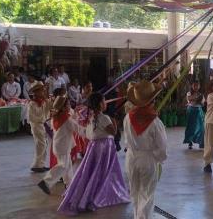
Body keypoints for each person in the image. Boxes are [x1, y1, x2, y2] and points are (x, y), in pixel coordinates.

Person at [58, 93, 129, 215]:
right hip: (105, 147)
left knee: (93, 172)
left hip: (94, 147)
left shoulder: (91, 117)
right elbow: (113, 132)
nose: (105, 103)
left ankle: (89, 192)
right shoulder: (104, 118)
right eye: (104, 101)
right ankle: (99, 194)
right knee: (104, 172)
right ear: (99, 104)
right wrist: (115, 122)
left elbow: (89, 134)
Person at [125, 80, 167, 219]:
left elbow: (126, 140)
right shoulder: (155, 122)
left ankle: (138, 216)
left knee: (135, 193)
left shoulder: (127, 117)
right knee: (147, 194)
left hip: (131, 158)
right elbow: (161, 147)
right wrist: (159, 159)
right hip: (147, 159)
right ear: (152, 100)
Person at [38, 96, 84, 194]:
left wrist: (75, 114)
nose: (69, 105)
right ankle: (46, 182)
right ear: (63, 108)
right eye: (67, 104)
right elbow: (78, 129)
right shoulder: (67, 119)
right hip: (63, 147)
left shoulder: (57, 116)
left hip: (59, 146)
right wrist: (89, 130)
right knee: (63, 166)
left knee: (68, 166)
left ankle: (69, 185)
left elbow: (71, 121)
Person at [28, 82, 52, 172]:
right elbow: (31, 117)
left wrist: (46, 98)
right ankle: (37, 165)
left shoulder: (43, 101)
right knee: (41, 145)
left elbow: (51, 107)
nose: (43, 92)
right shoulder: (32, 103)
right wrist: (42, 119)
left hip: (41, 125)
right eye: (42, 90)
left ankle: (41, 164)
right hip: (36, 125)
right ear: (36, 92)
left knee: (43, 144)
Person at [183, 81, 205, 149]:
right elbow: (189, 99)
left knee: (201, 128)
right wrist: (196, 99)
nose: (196, 87)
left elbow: (202, 104)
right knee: (191, 127)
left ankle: (201, 143)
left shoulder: (201, 94)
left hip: (199, 111)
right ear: (192, 86)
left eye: (197, 85)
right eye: (194, 85)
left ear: (199, 86)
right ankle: (190, 142)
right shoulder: (189, 93)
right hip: (191, 110)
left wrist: (199, 101)